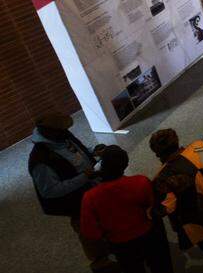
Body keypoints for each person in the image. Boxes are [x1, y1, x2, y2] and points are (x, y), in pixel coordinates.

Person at [27, 113, 115, 273]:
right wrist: (84, 177)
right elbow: (50, 191)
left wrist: (93, 152)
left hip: (93, 191)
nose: (67, 132)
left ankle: (110, 246)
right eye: (62, 130)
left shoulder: (63, 136)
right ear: (49, 131)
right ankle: (101, 263)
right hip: (76, 204)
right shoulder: (40, 159)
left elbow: (77, 151)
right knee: (89, 235)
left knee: (104, 223)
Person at [148, 129, 203, 273]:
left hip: (194, 217)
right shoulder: (197, 146)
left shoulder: (161, 177)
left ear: (157, 153)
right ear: (176, 141)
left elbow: (168, 206)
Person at [80, 145, 173, 273]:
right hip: (148, 234)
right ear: (125, 164)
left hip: (120, 243)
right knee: (160, 265)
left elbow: (91, 232)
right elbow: (152, 206)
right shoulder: (141, 182)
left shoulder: (90, 197)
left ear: (102, 165)